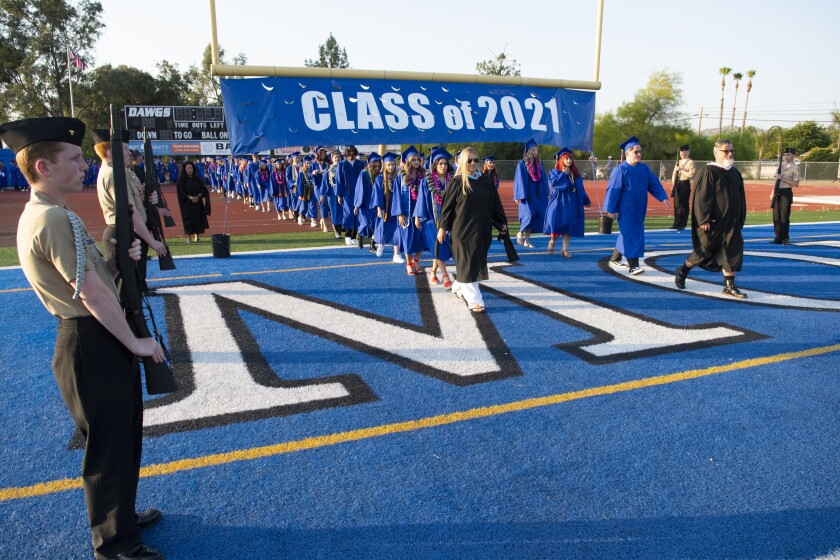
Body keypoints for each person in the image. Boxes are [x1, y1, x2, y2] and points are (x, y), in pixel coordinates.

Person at [1, 116, 166, 560]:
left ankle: (123, 516)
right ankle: (114, 542)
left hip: (96, 335)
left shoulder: (57, 214)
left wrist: (117, 259)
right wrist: (136, 344)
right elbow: (92, 296)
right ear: (43, 167)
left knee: (123, 433)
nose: (85, 166)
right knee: (108, 443)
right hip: (90, 340)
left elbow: (97, 279)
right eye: (74, 159)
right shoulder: (52, 219)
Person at [92, 129, 167, 295]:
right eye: (125, 149)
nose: (130, 153)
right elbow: (130, 213)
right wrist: (152, 241)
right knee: (124, 290)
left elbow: (137, 203)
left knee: (133, 287)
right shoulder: (114, 175)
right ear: (111, 152)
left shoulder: (124, 172)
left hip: (132, 231)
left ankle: (141, 288)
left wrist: (149, 198)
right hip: (123, 232)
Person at [674, 139, 748, 298]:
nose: (729, 154)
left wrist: (741, 217)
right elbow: (702, 197)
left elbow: (741, 197)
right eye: (726, 151)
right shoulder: (709, 171)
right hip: (713, 222)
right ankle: (683, 269)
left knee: (732, 251)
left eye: (731, 151)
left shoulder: (734, 173)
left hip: (732, 222)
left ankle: (729, 286)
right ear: (716, 153)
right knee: (704, 251)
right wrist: (703, 219)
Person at [437, 147, 508, 313]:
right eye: (469, 160)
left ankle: (458, 286)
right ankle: (475, 300)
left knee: (473, 262)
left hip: (482, 228)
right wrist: (442, 228)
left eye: (476, 160)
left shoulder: (485, 180)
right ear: (462, 162)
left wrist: (501, 221)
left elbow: (495, 203)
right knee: (468, 261)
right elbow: (447, 208)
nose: (473, 163)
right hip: (462, 230)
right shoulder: (457, 182)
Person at [603, 136, 671, 275]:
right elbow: (613, 190)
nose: (639, 154)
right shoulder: (620, 170)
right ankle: (633, 265)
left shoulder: (643, 169)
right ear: (627, 153)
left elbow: (654, 184)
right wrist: (610, 209)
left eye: (640, 151)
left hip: (639, 208)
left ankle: (616, 257)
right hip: (625, 209)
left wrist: (663, 197)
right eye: (636, 152)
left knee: (628, 233)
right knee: (633, 234)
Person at [416, 148, 454, 288]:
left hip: (448, 219)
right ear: (435, 165)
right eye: (440, 164)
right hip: (432, 219)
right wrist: (417, 217)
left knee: (441, 248)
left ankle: (433, 272)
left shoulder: (452, 180)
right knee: (437, 246)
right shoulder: (428, 180)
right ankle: (445, 277)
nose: (443, 166)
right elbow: (421, 199)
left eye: (445, 163)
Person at [545, 147, 591, 257]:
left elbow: (580, 188)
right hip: (558, 202)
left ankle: (564, 250)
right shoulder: (554, 172)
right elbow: (554, 185)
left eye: (570, 158)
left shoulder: (575, 174)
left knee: (568, 226)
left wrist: (585, 200)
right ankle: (552, 241)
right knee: (556, 223)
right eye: (566, 159)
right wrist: (563, 174)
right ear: (561, 160)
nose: (569, 161)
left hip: (571, 203)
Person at [391, 145, 425, 275]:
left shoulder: (423, 175)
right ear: (408, 161)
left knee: (421, 240)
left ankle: (416, 260)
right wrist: (399, 213)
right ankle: (409, 263)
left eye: (418, 159)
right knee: (407, 240)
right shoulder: (401, 177)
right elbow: (397, 196)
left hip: (421, 213)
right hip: (406, 214)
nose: (416, 162)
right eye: (413, 160)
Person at [513, 138, 548, 248]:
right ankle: (520, 232)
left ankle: (527, 241)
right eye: (533, 150)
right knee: (529, 214)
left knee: (535, 216)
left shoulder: (539, 164)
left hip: (536, 193)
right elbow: (519, 180)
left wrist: (545, 192)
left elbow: (543, 179)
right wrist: (519, 195)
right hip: (526, 194)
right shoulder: (522, 164)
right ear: (528, 151)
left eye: (537, 150)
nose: (536, 152)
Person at [176, 160, 211, 243]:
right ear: (184, 169)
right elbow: (181, 192)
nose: (190, 170)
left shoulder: (197, 178)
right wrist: (191, 198)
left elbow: (203, 189)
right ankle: (189, 237)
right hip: (186, 204)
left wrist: (198, 196)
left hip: (197, 203)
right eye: (188, 168)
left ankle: (197, 237)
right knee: (188, 220)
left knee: (198, 219)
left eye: (191, 168)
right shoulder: (181, 180)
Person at [336, 145, 366, 245]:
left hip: (359, 192)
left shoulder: (360, 164)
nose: (351, 154)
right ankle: (348, 234)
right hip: (347, 193)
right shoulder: (341, 164)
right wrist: (339, 195)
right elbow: (339, 180)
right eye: (350, 152)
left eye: (353, 152)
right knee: (348, 213)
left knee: (358, 213)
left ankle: (355, 234)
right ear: (346, 153)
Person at [771, 147, 800, 244]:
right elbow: (776, 179)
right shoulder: (781, 167)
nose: (786, 157)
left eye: (789, 155)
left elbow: (796, 184)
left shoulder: (795, 168)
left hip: (786, 192)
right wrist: (772, 191)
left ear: (793, 156)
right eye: (785, 155)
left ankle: (785, 237)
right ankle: (778, 237)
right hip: (778, 191)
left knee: (784, 216)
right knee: (776, 216)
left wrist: (783, 178)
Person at [355, 152, 380, 250]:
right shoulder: (364, 174)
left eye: (379, 166)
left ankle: (372, 244)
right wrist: (357, 205)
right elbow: (359, 190)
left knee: (375, 224)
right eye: (375, 166)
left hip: (375, 203)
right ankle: (360, 235)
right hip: (364, 203)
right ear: (370, 164)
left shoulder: (380, 175)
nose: (377, 168)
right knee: (365, 223)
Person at [671, 144, 696, 230]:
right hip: (677, 184)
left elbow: (691, 175)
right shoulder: (679, 162)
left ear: (688, 152)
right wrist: (673, 184)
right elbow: (674, 173)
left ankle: (682, 223)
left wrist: (681, 170)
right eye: (681, 152)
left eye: (684, 151)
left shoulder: (690, 162)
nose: (682, 153)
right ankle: (676, 223)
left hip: (685, 183)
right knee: (677, 204)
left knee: (684, 205)